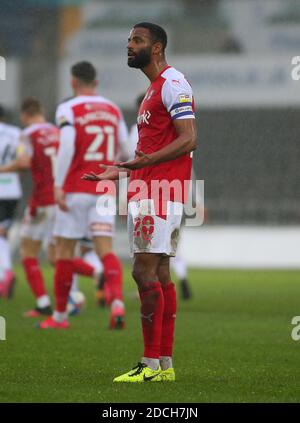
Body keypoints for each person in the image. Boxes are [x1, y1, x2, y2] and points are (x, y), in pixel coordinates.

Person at [84, 22, 197, 382]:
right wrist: (116, 172)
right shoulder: (151, 91)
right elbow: (144, 153)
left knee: (142, 272)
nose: (129, 45)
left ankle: (148, 364)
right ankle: (164, 366)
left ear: (158, 47)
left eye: (137, 40)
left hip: (160, 193)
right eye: (129, 40)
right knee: (160, 273)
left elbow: (190, 139)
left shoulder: (173, 84)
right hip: (148, 189)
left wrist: (146, 163)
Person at [39, 61, 129, 330]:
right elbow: (125, 152)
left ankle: (59, 317)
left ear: (73, 82)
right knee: (105, 250)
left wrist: (58, 184)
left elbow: (66, 145)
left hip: (77, 186)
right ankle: (116, 303)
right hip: (104, 188)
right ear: (96, 83)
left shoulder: (68, 108)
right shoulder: (113, 109)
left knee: (64, 252)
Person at [129, 93, 193, 300]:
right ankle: (182, 279)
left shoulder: (145, 131)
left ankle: (152, 298)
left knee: (146, 266)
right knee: (164, 258)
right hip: (173, 194)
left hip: (151, 194)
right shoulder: (173, 130)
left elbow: (135, 162)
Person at [0, 105, 22, 298]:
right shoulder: (16, 133)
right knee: (2, 232)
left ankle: (5, 272)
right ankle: (5, 271)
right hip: (12, 189)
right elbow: (23, 159)